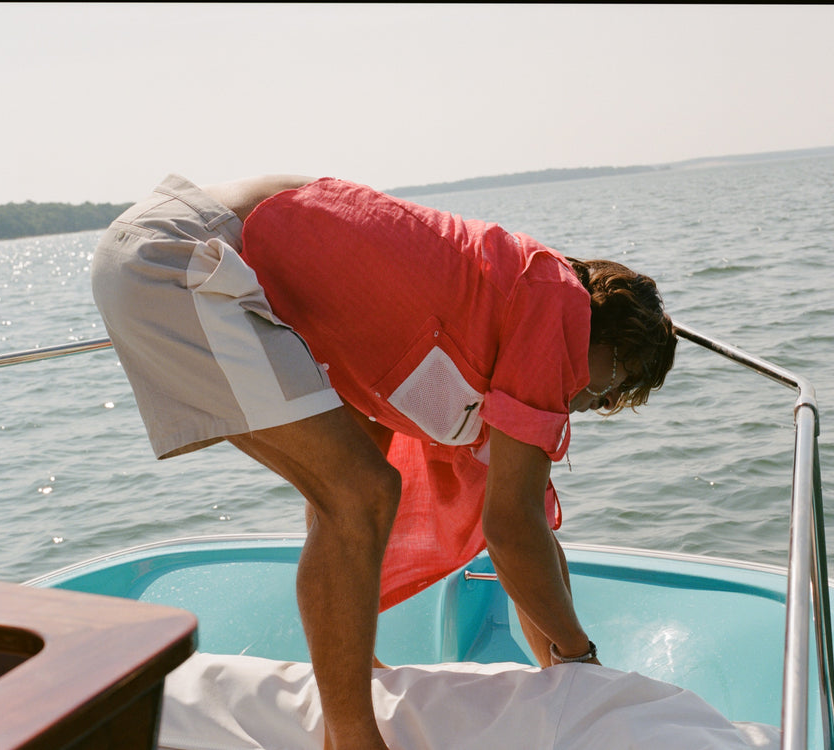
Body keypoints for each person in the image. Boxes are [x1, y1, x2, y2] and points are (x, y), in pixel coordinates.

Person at [91, 174, 676, 750]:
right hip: (184, 258)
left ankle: (353, 691)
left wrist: (561, 677)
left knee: (347, 495)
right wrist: (579, 654)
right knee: (358, 496)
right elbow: (513, 528)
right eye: (608, 390)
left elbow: (527, 524)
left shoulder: (485, 303)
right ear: (614, 343)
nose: (583, 403)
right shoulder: (558, 308)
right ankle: (351, 741)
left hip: (156, 248)